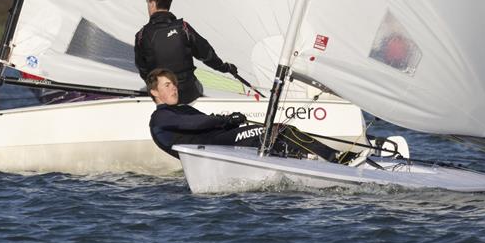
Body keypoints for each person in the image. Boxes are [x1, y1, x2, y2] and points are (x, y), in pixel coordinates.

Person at [147, 68, 343, 161]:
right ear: (154, 92)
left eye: (173, 84)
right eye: (167, 85)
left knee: (278, 133)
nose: (173, 88)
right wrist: (224, 119)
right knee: (276, 131)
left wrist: (230, 122)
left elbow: (205, 123)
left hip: (220, 143)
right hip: (213, 148)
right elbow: (194, 124)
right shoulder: (160, 117)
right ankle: (334, 158)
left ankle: (306, 159)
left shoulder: (182, 108)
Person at [135, 0, 240, 103]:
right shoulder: (183, 28)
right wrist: (225, 67)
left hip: (163, 98)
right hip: (188, 93)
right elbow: (207, 55)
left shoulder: (141, 35)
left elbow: (143, 71)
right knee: (196, 85)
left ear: (152, 3)